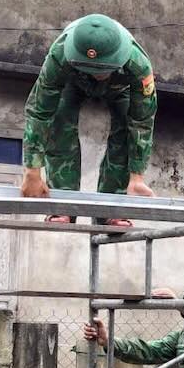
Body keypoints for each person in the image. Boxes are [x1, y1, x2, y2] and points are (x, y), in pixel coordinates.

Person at [22, 13, 156, 225]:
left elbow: (142, 121)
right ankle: (63, 204)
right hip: (72, 81)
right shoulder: (59, 55)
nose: (97, 75)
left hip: (120, 86)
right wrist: (32, 171)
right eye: (92, 69)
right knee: (59, 121)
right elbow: (40, 112)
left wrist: (137, 176)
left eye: (101, 70)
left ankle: (113, 206)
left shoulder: (138, 64)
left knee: (124, 131)